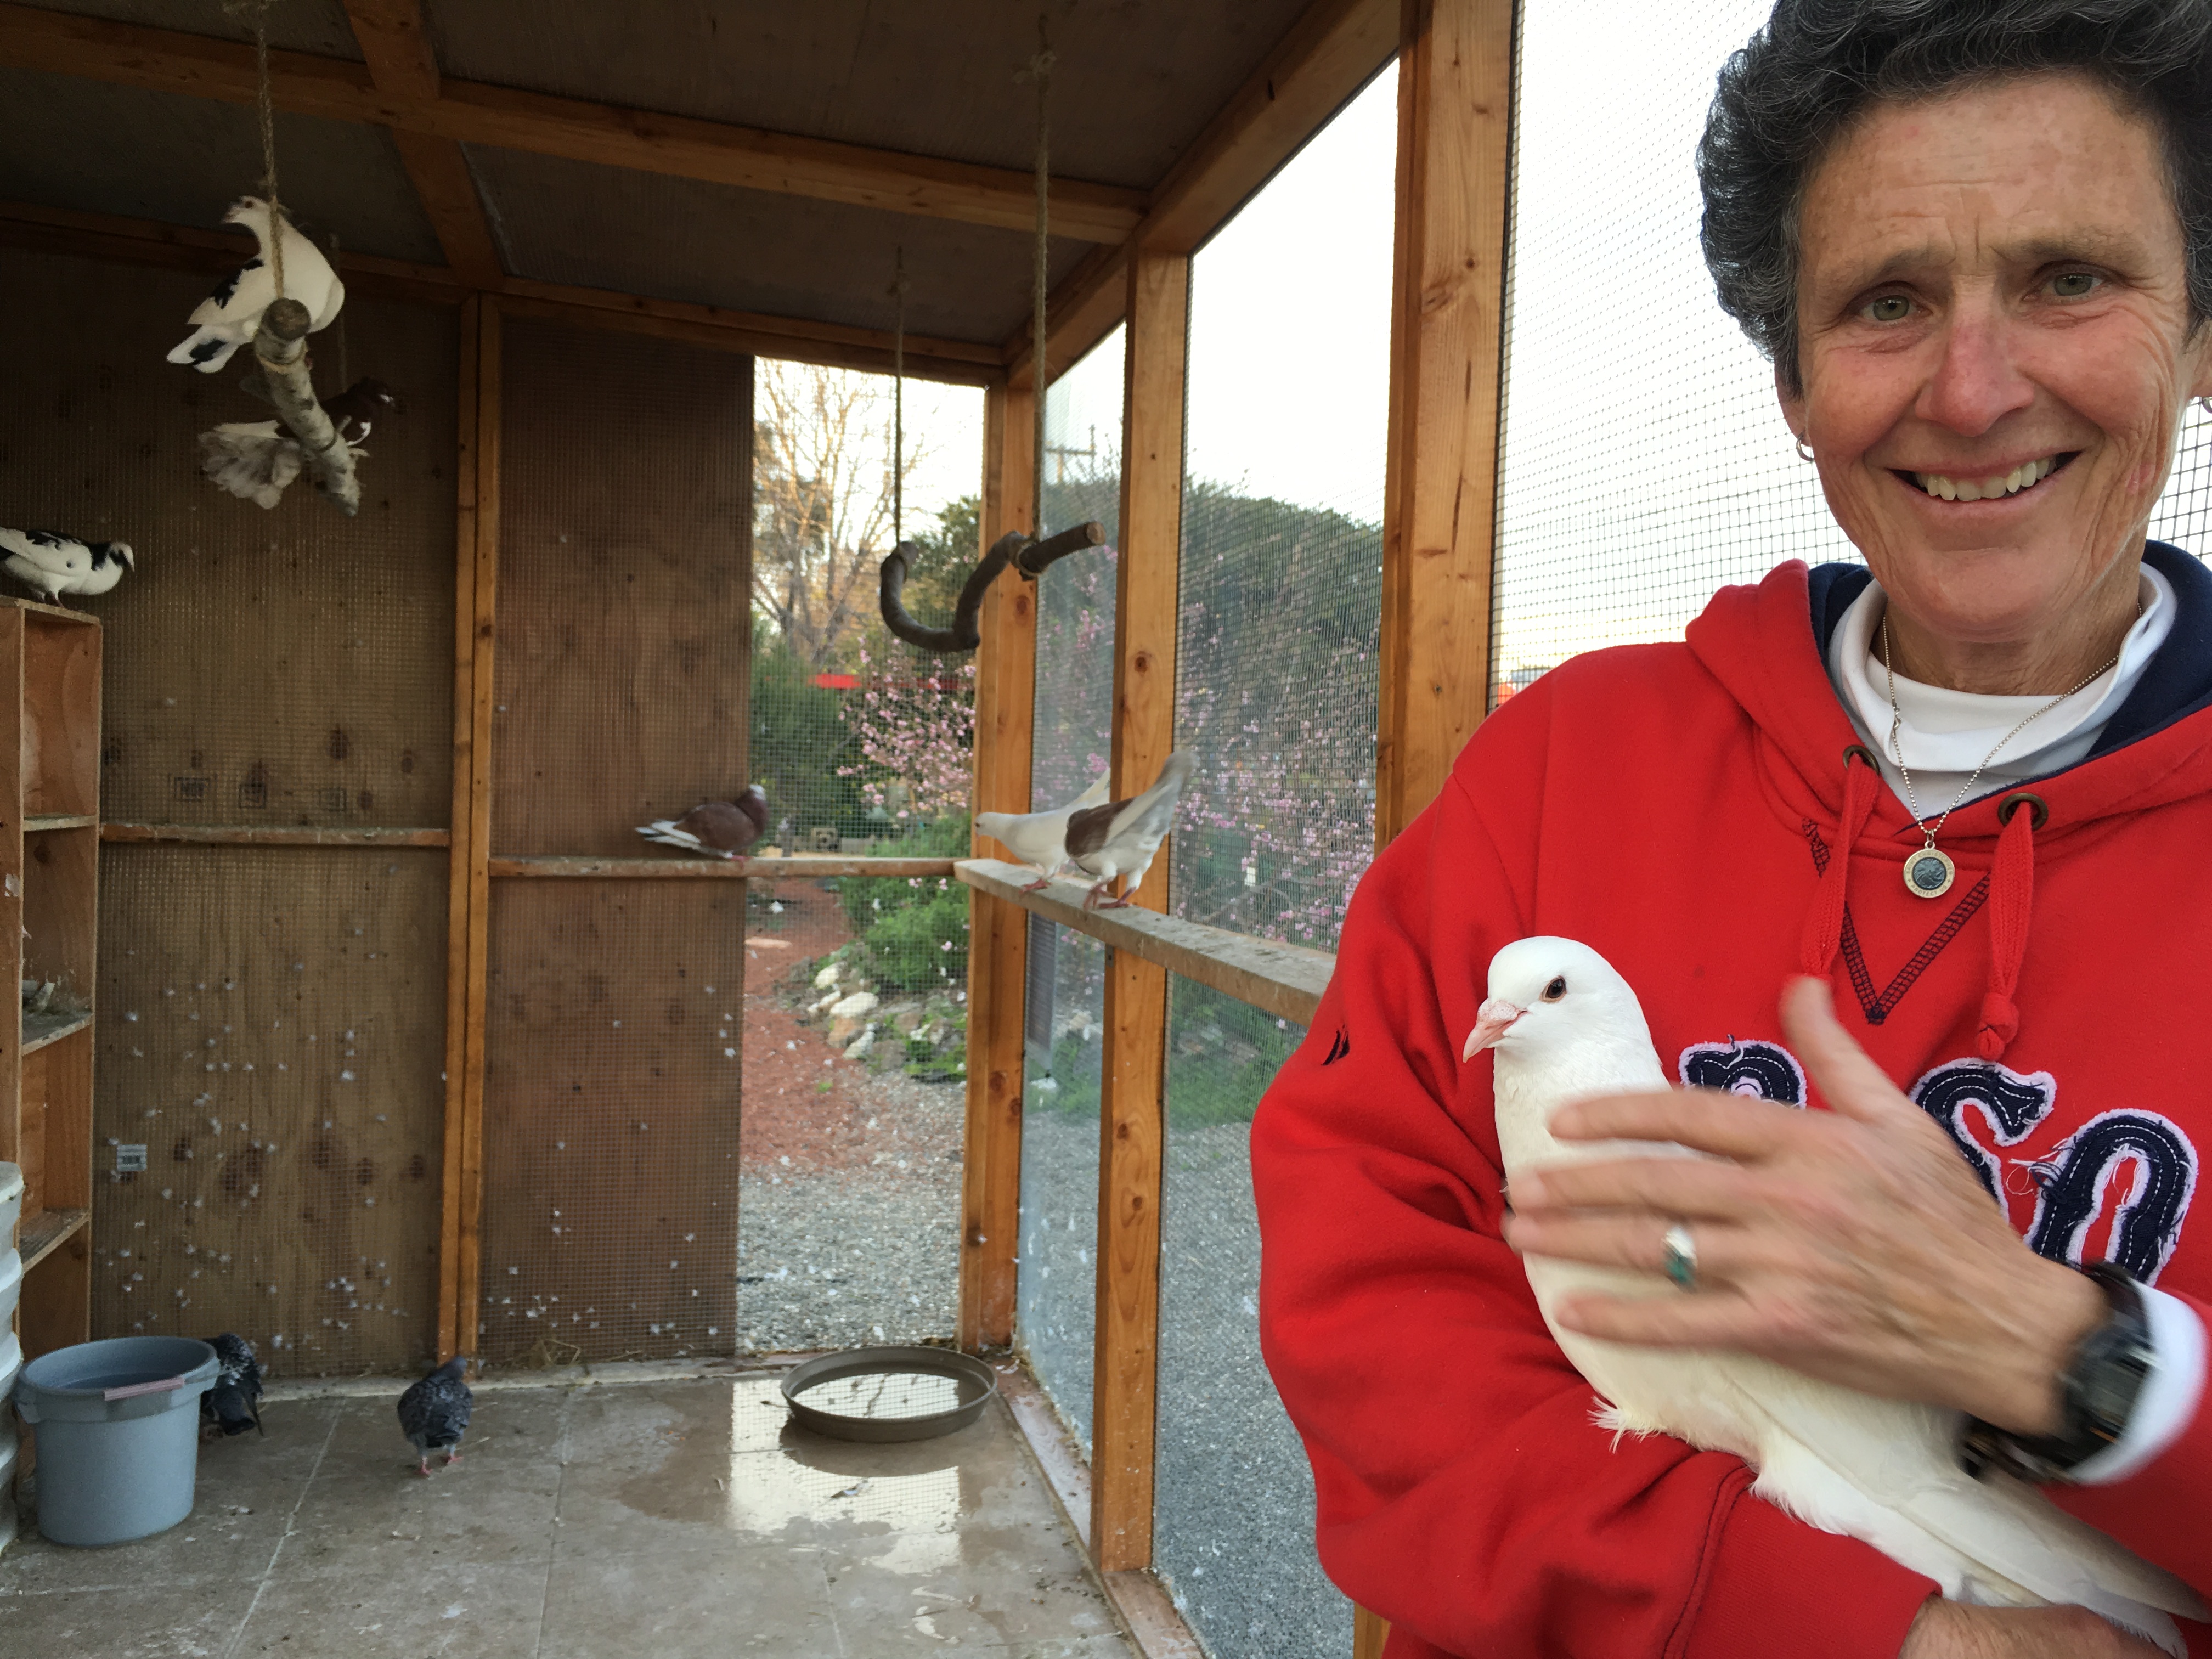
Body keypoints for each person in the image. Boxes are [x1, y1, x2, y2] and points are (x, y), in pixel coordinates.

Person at [1251, 3, 2212, 1655]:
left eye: (2070, 278)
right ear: (1791, 382)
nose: (1975, 391)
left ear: (2199, 335)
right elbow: (1370, 1296)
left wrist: (2075, 1355)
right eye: (1886, 302)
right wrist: (1862, 1633)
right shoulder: (1563, 767)